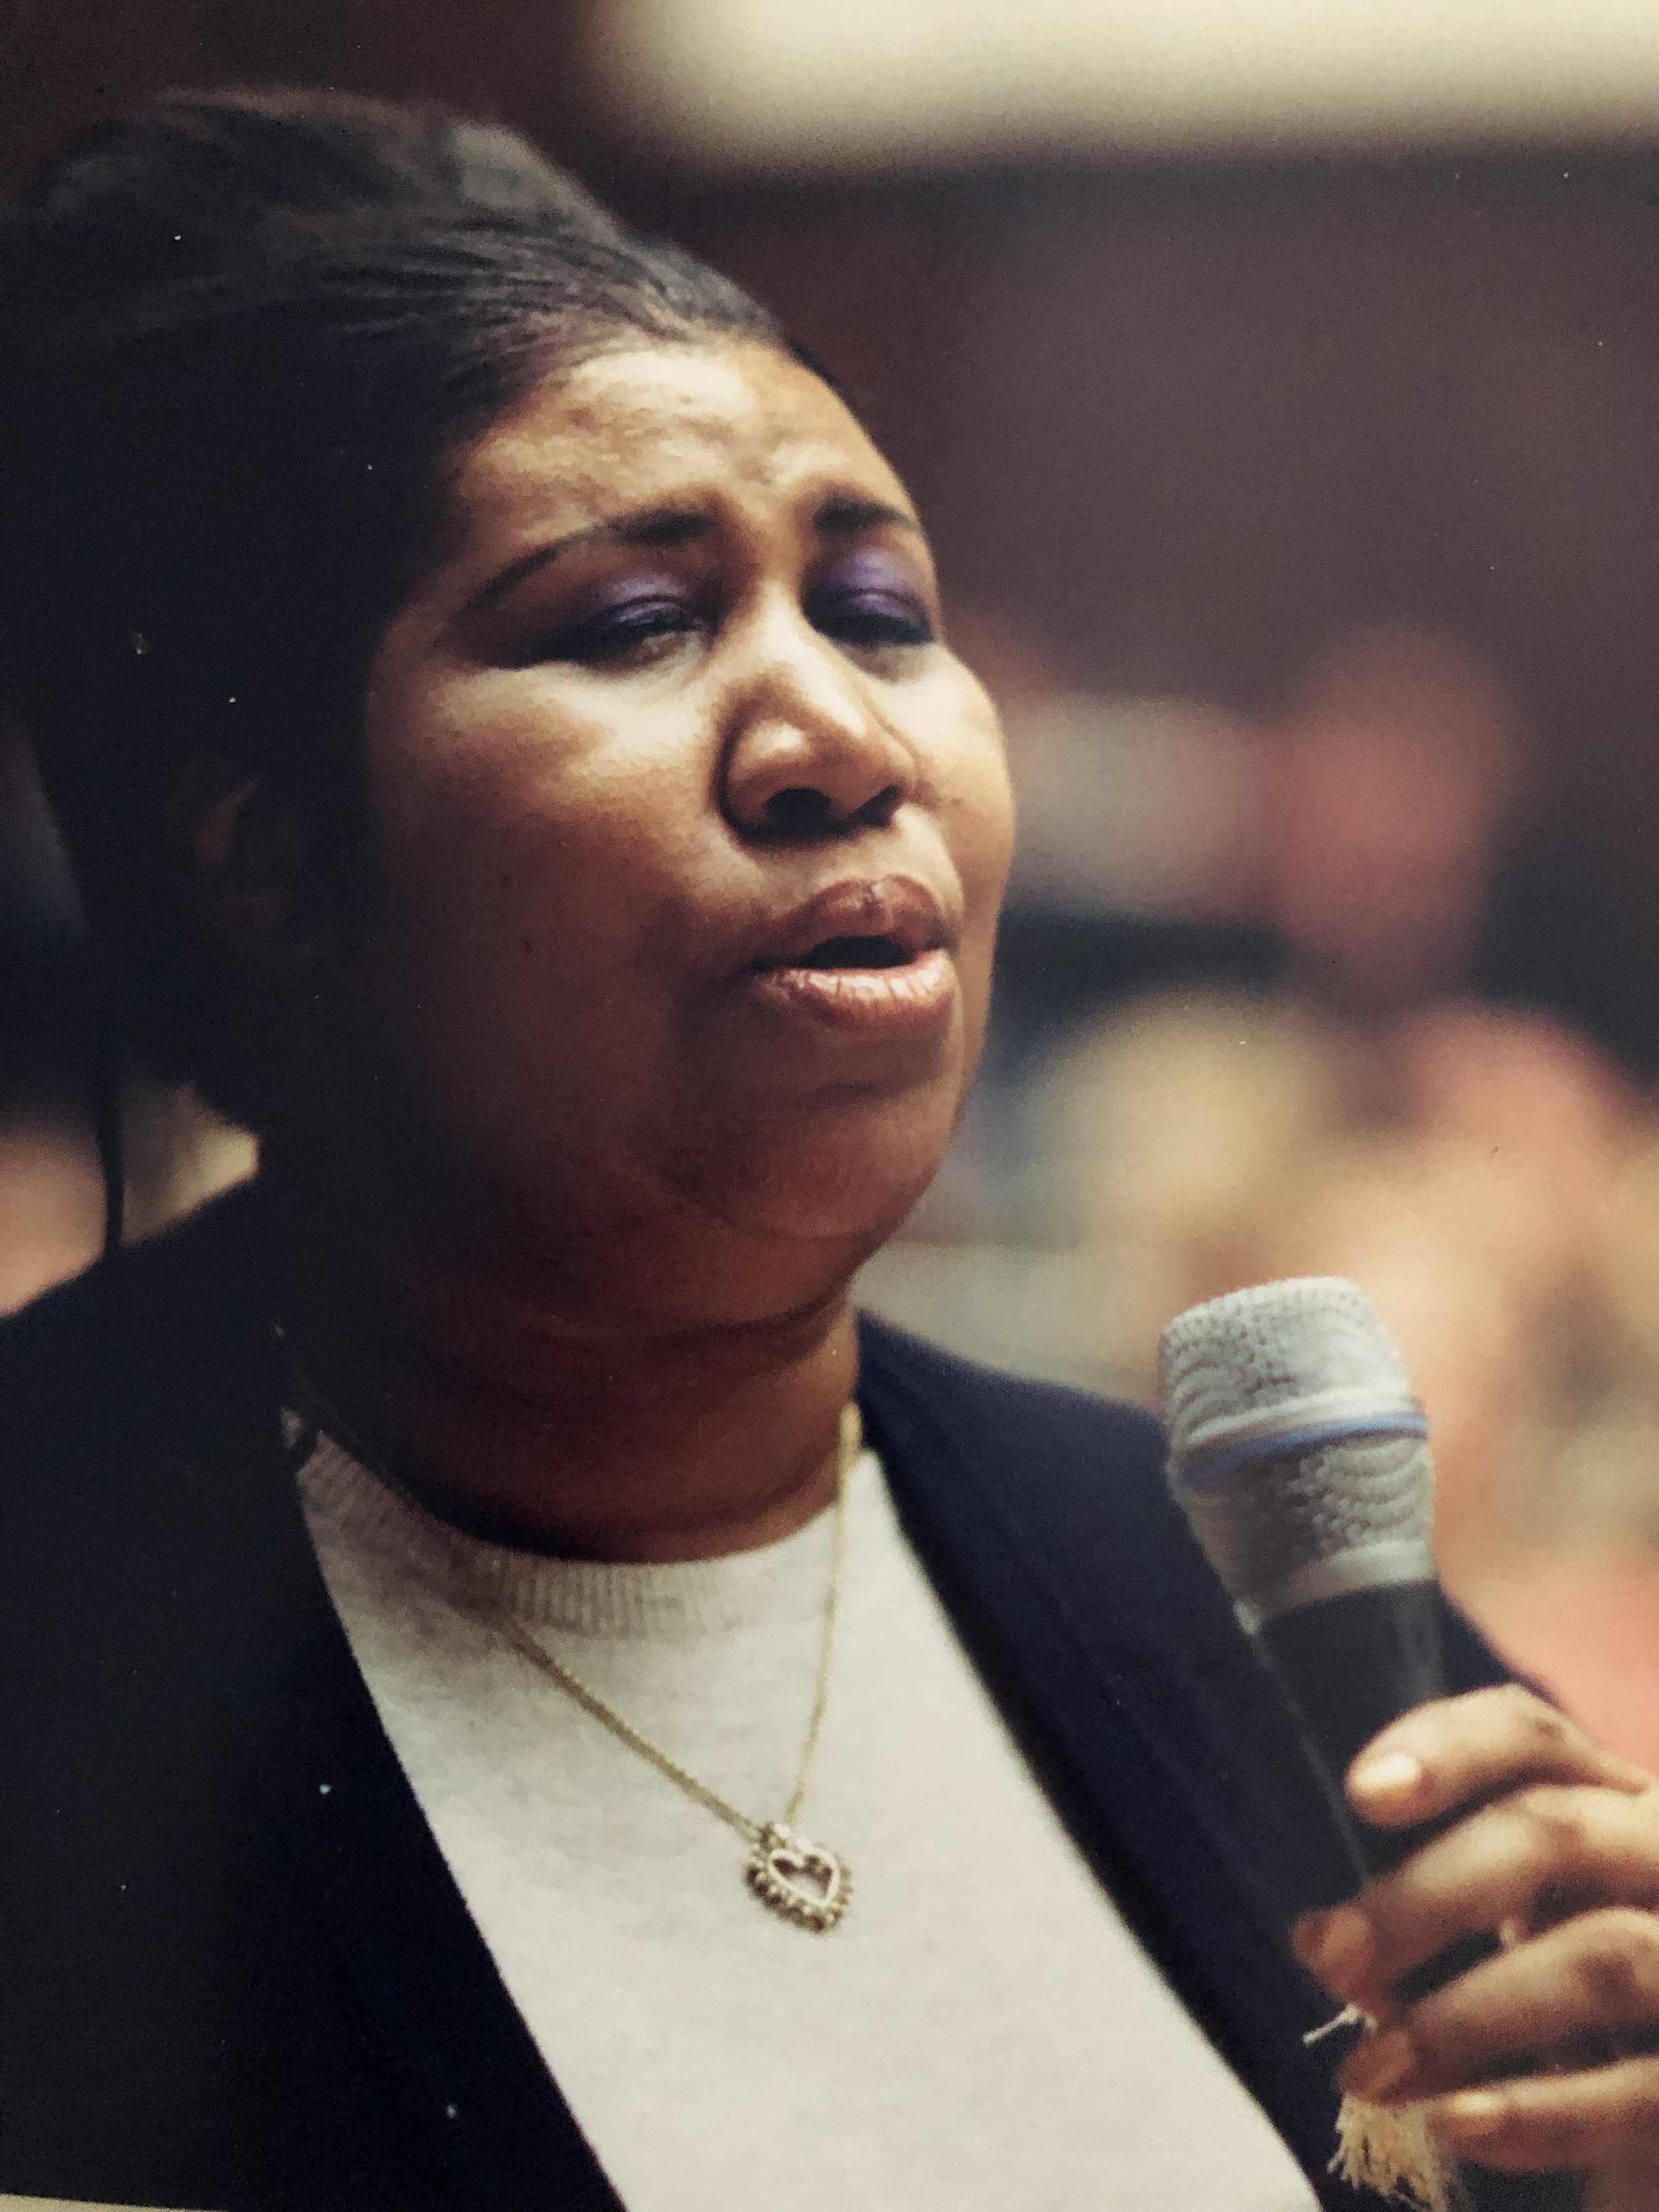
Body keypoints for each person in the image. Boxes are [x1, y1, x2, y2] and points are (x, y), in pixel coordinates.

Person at [1, 88, 1657, 2212]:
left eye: (878, 610)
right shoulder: (56, 1622)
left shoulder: (1192, 1593)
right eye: (625, 623)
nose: (838, 737)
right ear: (265, 857)